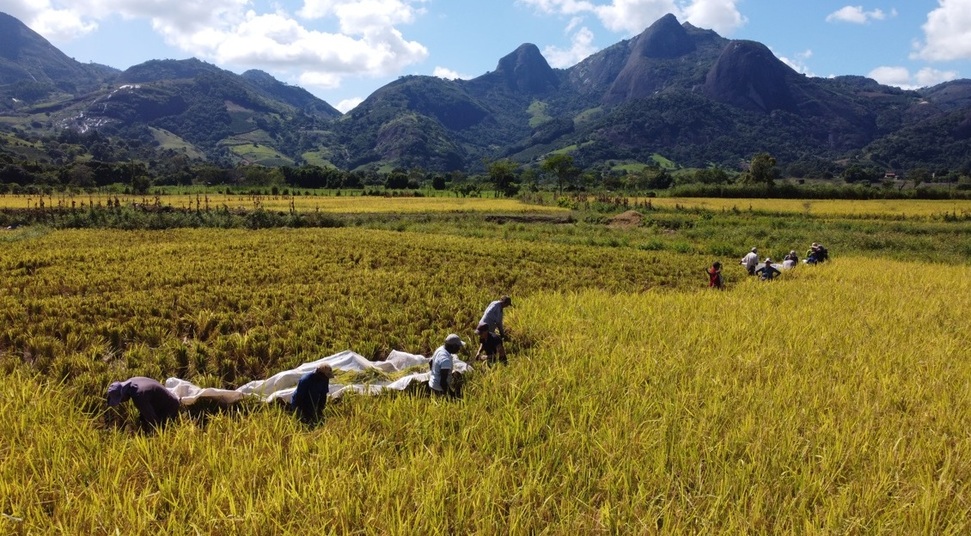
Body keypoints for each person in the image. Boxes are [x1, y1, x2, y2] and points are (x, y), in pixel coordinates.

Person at [107, 377, 181, 432]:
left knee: (162, 429)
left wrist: (155, 433)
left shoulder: (139, 396)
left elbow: (153, 420)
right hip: (166, 397)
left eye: (121, 400)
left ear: (123, 395)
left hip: (170, 406)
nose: (122, 402)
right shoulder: (132, 381)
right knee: (142, 418)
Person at [429, 333, 464, 398]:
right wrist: (450, 394)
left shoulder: (440, 349)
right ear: (453, 346)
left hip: (433, 384)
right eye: (458, 346)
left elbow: (430, 362)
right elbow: (443, 382)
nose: (459, 349)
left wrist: (434, 374)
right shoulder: (445, 359)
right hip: (439, 389)